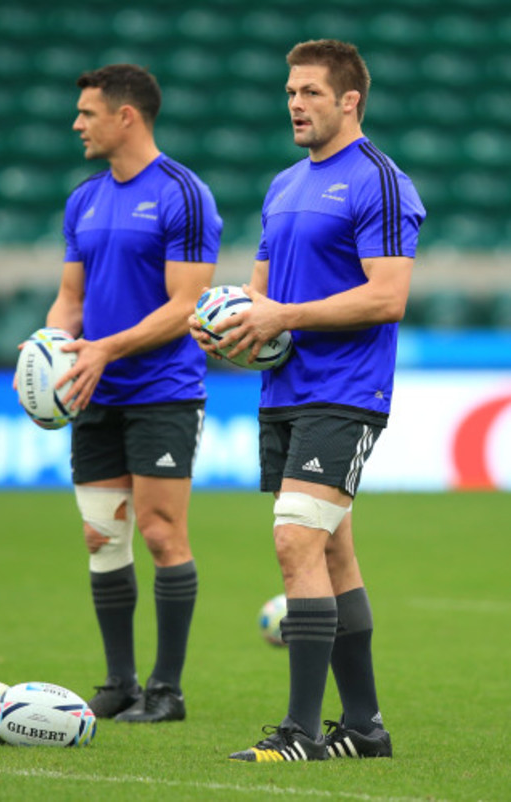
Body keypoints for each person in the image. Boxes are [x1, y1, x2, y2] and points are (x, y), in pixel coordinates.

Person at [190, 39, 425, 761]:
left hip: (347, 391)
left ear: (349, 100)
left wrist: (279, 318)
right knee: (332, 551)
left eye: (311, 93)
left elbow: (388, 297)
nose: (295, 103)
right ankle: (363, 729)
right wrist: (228, 329)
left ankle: (299, 733)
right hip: (286, 389)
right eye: (291, 91)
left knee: (295, 538)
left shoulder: (380, 182)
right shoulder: (285, 184)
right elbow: (261, 297)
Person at [47, 64, 222, 722]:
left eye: (87, 112)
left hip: (161, 390)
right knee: (102, 537)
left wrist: (105, 348)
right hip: (94, 389)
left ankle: (166, 689)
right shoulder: (84, 200)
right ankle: (119, 683)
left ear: (127, 116)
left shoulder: (184, 193)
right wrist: (46, 348)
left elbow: (186, 306)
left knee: (159, 532)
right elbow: (71, 300)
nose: (77, 124)